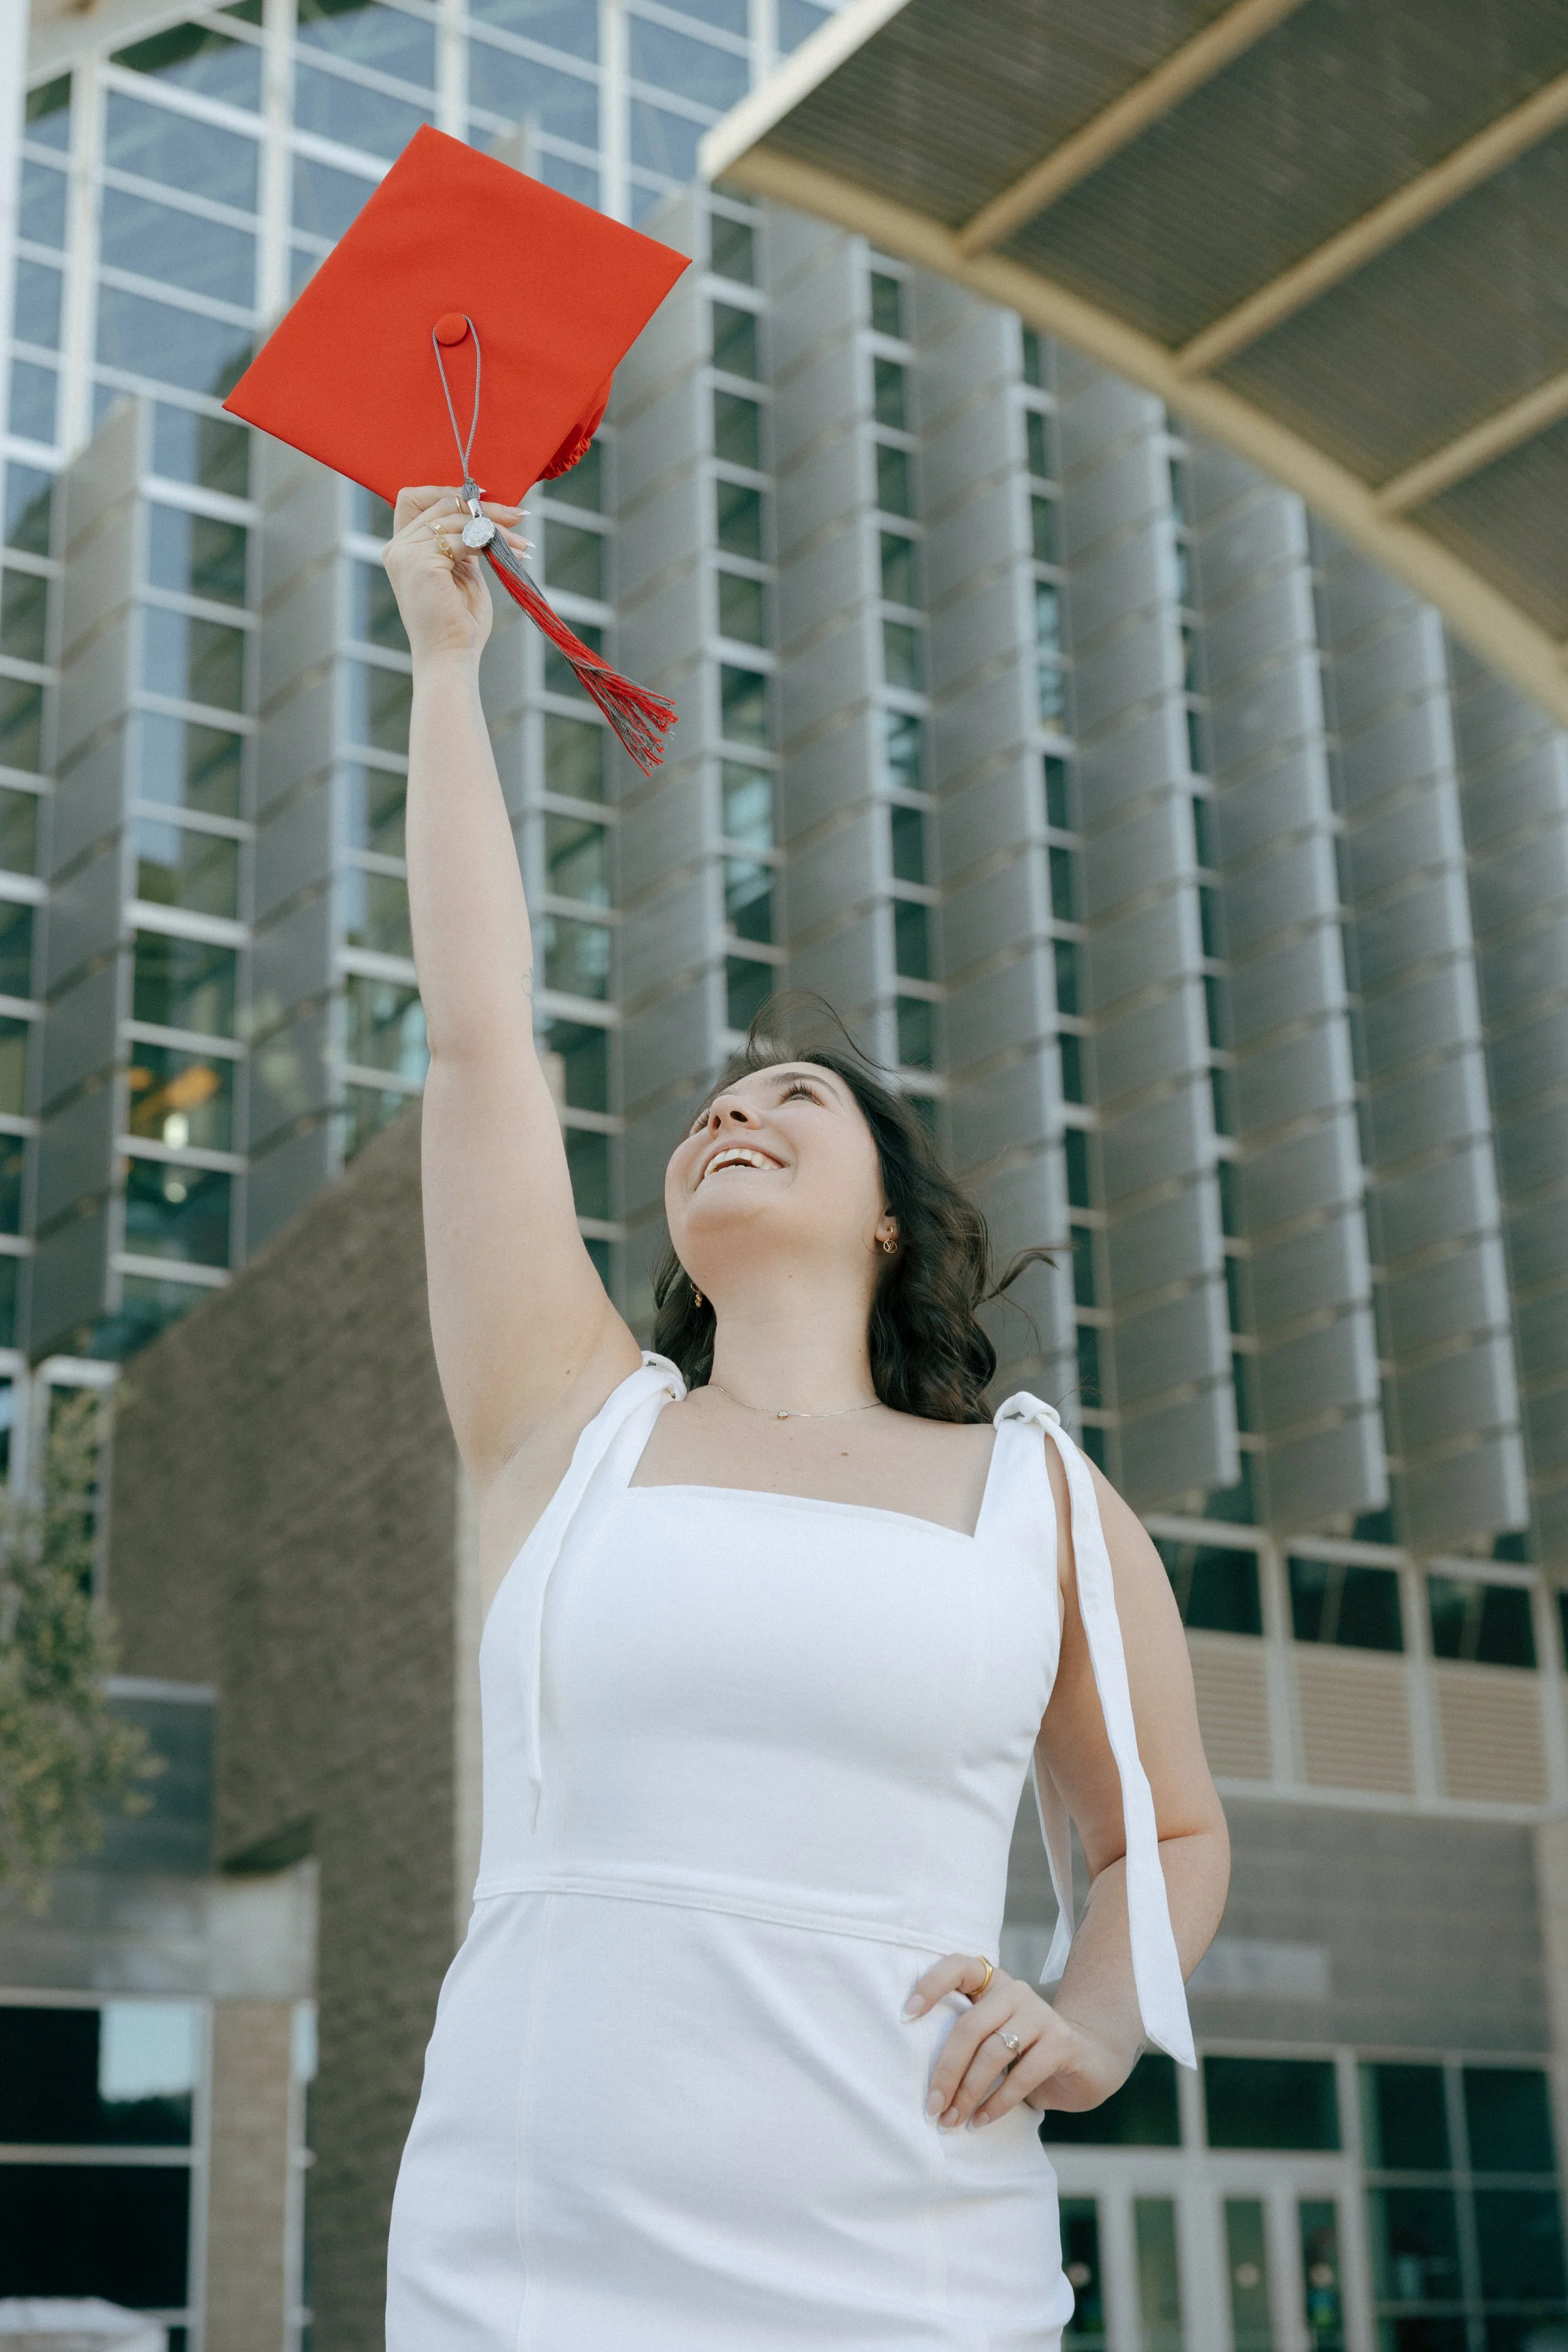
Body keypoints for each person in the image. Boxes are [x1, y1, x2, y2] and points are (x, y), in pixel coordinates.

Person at [380, 484, 1230, 2352]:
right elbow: (474, 1031)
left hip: (907, 2248)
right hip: (528, 2240)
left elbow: (1159, 1834)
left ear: (888, 1218)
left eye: (792, 1099)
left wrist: (1092, 2020)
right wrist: (448, 669)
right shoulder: (567, 1423)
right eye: (706, 1109)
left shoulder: (1038, 1496)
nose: (730, 1113)